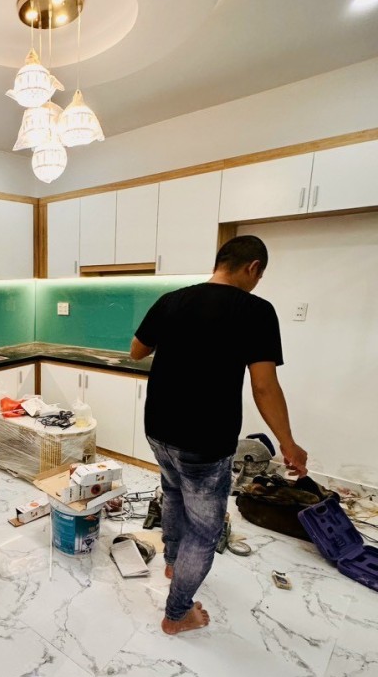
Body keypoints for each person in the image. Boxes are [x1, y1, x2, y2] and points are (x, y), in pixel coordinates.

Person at [130, 235, 307, 636]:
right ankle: (177, 614)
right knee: (204, 529)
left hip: (158, 428)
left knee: (173, 494)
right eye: (259, 275)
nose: (257, 283)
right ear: (253, 268)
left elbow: (136, 351)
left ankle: (173, 563)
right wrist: (288, 443)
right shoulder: (256, 310)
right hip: (205, 440)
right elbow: (264, 386)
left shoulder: (171, 301)